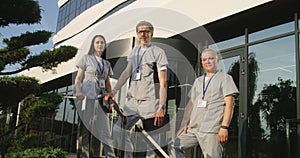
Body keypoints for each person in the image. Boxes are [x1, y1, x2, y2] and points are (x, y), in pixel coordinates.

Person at [111, 21, 168, 158]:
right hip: (133, 102)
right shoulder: (133, 52)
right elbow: (126, 72)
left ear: (152, 34)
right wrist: (114, 91)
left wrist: (162, 106)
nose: (143, 34)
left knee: (151, 142)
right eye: (140, 31)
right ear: (137, 34)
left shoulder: (158, 52)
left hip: (150, 101)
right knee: (118, 130)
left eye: (146, 31)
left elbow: (163, 82)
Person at [168, 48, 239, 158]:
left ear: (217, 60)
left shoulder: (225, 78)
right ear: (201, 62)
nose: (207, 62)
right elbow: (191, 104)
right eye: (204, 60)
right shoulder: (198, 81)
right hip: (194, 128)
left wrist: (224, 127)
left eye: (211, 59)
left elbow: (230, 104)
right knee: (173, 145)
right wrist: (184, 123)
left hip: (211, 129)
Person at [74, 35, 116, 158]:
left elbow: (107, 83)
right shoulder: (86, 59)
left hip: (102, 99)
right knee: (86, 129)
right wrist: (78, 91)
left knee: (105, 130)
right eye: (97, 42)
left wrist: (111, 97)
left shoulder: (107, 64)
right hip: (88, 97)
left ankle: (110, 155)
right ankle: (84, 155)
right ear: (93, 44)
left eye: (102, 42)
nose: (100, 45)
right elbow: (78, 78)